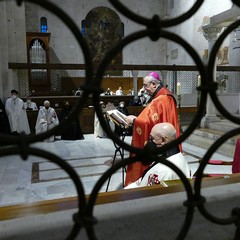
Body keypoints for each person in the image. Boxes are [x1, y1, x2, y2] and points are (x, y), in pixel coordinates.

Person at [124, 72, 180, 187]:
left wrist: (134, 121)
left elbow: (147, 122)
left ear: (154, 84)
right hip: (167, 139)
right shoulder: (167, 96)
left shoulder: (160, 100)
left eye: (145, 85)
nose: (144, 89)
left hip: (161, 140)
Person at [125, 123, 190, 189]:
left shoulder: (164, 170)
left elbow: (150, 195)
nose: (149, 142)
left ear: (163, 140)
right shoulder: (175, 156)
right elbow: (141, 181)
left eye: (151, 139)